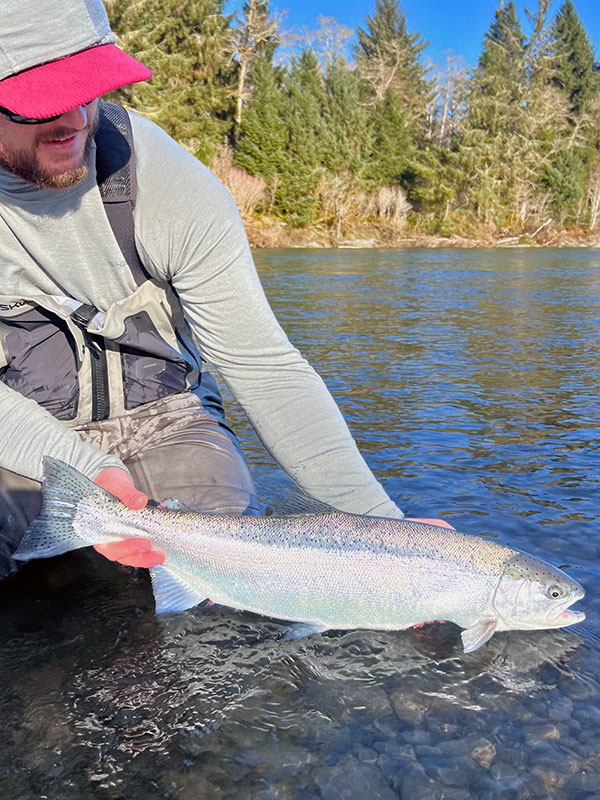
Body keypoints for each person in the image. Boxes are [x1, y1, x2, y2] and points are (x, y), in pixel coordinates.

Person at [0, 0, 449, 579]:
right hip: (22, 428)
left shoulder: (163, 180)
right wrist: (83, 468)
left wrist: (385, 531)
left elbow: (263, 367)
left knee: (231, 592)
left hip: (168, 417)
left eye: (88, 89)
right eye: (42, 102)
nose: (76, 121)